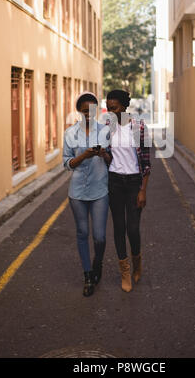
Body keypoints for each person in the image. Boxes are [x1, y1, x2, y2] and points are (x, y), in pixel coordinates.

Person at [63, 92, 112, 297]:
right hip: (77, 192)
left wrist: (102, 153)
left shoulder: (105, 132)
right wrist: (83, 155)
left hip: (100, 189)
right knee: (82, 233)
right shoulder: (70, 133)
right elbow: (67, 163)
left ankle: (98, 263)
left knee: (99, 237)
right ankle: (88, 275)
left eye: (92, 110)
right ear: (79, 112)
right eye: (85, 111)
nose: (89, 114)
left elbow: (112, 161)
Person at [106, 90, 151, 293]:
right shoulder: (108, 127)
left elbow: (146, 163)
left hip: (134, 182)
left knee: (132, 228)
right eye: (108, 107)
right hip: (114, 181)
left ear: (124, 107)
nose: (110, 111)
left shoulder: (139, 127)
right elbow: (108, 157)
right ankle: (125, 272)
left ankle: (137, 262)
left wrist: (142, 190)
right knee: (118, 228)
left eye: (113, 107)